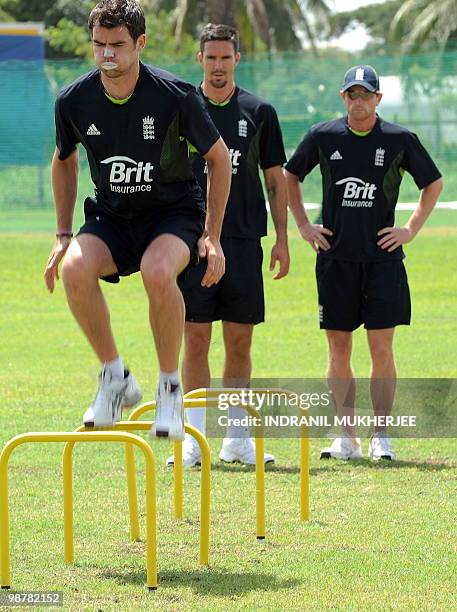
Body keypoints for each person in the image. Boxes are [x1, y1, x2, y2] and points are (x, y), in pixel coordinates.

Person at [44, 0, 231, 440]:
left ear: (140, 44)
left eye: (118, 44)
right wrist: (61, 234)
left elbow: (218, 160)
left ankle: (170, 387)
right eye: (99, 44)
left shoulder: (175, 96)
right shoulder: (74, 100)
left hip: (173, 213)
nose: (107, 53)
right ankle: (115, 376)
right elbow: (63, 160)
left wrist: (213, 236)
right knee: (73, 266)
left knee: (157, 270)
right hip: (112, 216)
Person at [284, 65, 443, 460]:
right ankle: (346, 435)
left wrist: (409, 229)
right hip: (335, 259)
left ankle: (381, 434)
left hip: (382, 261)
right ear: (343, 98)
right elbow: (290, 175)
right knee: (338, 349)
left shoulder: (399, 139)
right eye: (352, 95)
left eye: (365, 95)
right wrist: (303, 225)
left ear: (378, 99)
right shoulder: (323, 136)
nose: (358, 102)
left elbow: (433, 183)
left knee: (382, 349)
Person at [166, 23, 289, 467]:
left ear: (237, 59)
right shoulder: (181, 108)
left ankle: (237, 438)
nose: (218, 65)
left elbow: (275, 180)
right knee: (195, 339)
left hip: (243, 242)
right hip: (192, 242)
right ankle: (194, 439)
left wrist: (282, 238)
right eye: (211, 57)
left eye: (226, 57)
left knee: (239, 342)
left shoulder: (260, 112)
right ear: (199, 59)